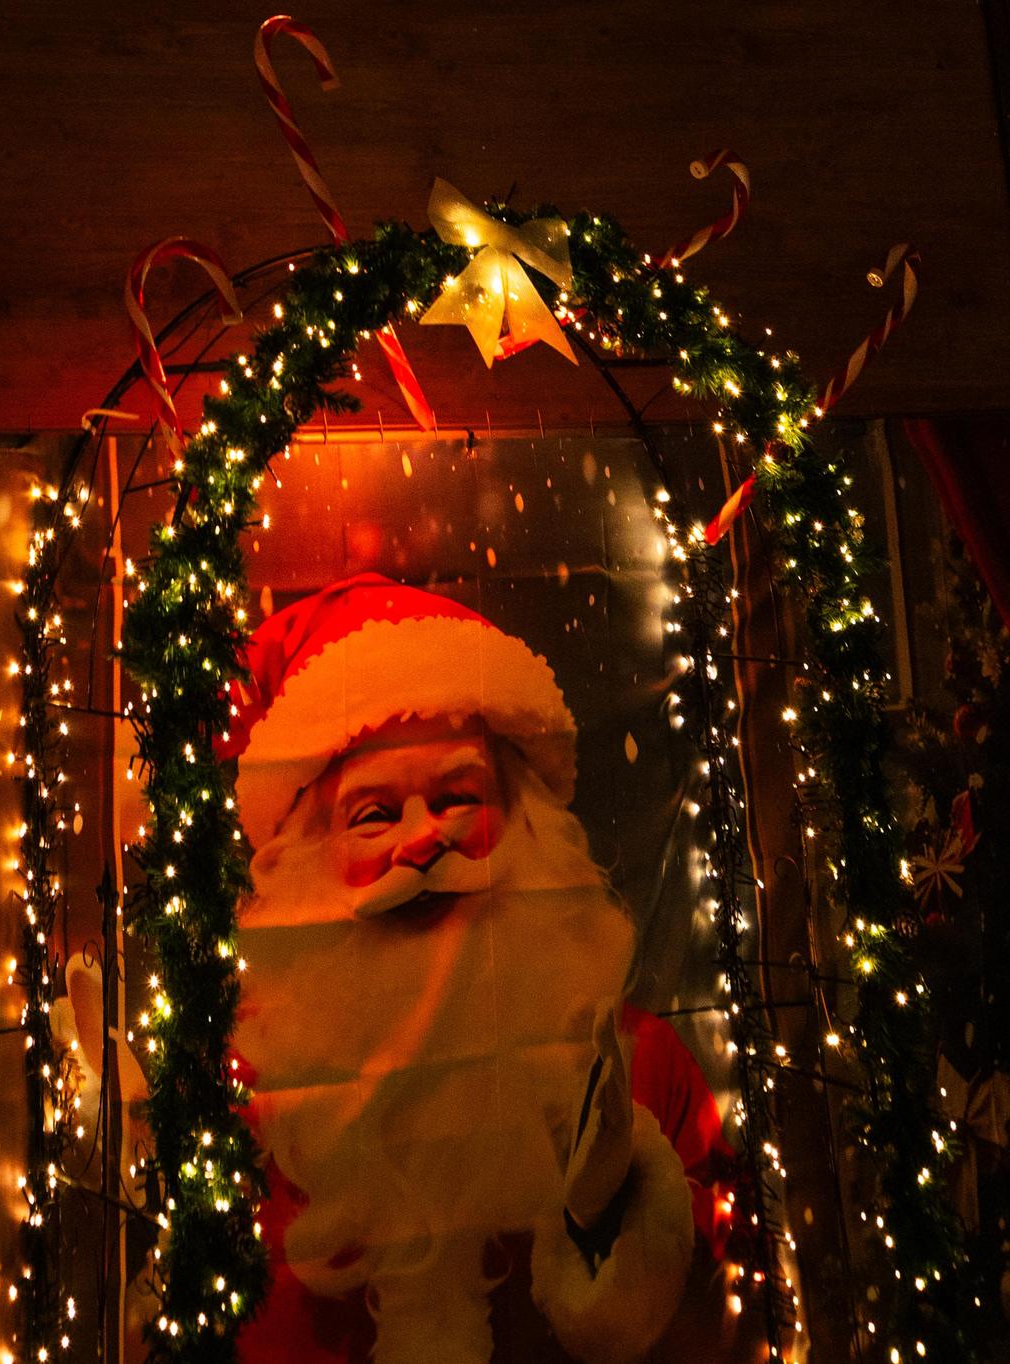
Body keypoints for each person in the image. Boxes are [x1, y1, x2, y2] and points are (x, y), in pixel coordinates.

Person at [227, 574, 736, 1364]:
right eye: (375, 815)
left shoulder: (644, 1074)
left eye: (458, 798)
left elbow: (718, 1330)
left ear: (525, 820)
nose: (423, 841)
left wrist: (627, 1238)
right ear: (310, 861)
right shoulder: (237, 1110)